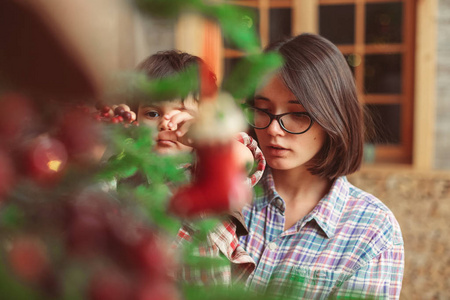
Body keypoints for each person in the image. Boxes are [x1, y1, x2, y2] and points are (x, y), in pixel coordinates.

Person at [238, 34, 404, 299]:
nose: (272, 129)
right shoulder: (228, 192)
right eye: (261, 109)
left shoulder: (372, 230)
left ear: (332, 116)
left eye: (298, 114)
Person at [130, 50, 264, 286]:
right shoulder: (129, 169)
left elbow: (244, 158)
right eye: (152, 113)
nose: (165, 123)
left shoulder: (211, 161)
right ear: (135, 118)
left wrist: (201, 135)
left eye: (182, 115)